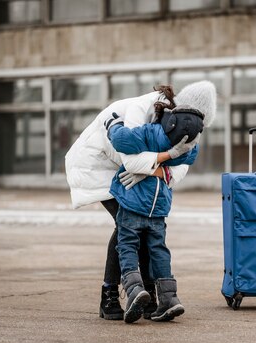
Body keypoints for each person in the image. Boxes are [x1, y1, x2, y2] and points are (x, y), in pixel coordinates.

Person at [65, 81, 217, 320]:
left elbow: (178, 170)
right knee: (126, 225)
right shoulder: (141, 109)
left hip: (129, 168)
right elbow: (130, 158)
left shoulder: (187, 126)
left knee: (143, 227)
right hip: (99, 163)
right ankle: (110, 296)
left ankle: (149, 296)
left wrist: (155, 168)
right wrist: (159, 161)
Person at [105, 105, 204, 323]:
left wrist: (113, 125)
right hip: (159, 207)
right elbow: (189, 159)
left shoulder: (151, 133)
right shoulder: (188, 147)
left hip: (133, 201)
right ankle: (169, 298)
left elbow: (122, 140)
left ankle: (134, 291)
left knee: (127, 245)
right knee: (159, 249)